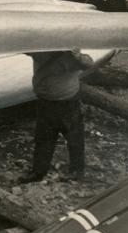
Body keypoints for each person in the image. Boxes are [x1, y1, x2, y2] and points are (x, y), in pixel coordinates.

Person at [19, 49, 93, 183]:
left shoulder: (71, 53)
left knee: (74, 137)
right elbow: (25, 48)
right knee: (43, 138)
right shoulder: (41, 48)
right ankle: (38, 172)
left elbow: (88, 63)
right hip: (45, 101)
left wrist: (78, 56)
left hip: (68, 102)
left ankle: (77, 171)